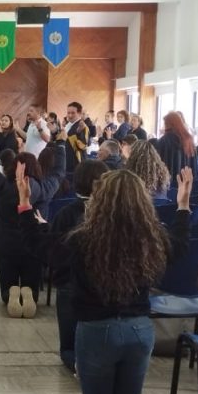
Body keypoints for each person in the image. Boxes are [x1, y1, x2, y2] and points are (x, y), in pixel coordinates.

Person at [23, 166, 193, 394]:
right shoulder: (153, 239)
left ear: (99, 200)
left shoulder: (83, 239)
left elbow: (43, 250)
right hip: (141, 330)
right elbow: (180, 245)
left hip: (97, 331)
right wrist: (182, 206)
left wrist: (26, 207)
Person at [0, 137, 66, 316]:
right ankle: (30, 293)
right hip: (34, 244)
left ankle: (10, 293)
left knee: (7, 280)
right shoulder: (44, 188)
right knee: (32, 278)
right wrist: (60, 145)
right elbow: (59, 172)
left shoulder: (2, 187)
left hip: (5, 243)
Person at [45, 159, 110, 371]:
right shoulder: (113, 213)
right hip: (103, 283)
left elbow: (54, 253)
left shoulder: (66, 214)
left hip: (70, 282)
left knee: (69, 343)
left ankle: (77, 363)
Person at [155, 111, 198, 181]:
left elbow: (158, 165)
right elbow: (194, 166)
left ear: (169, 124)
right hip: (187, 181)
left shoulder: (163, 141)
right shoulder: (189, 139)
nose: (164, 126)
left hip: (169, 183)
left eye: (165, 124)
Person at [61, 101, 91, 171]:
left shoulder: (83, 126)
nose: (70, 115)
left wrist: (78, 133)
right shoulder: (68, 125)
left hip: (76, 163)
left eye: (73, 113)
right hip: (66, 160)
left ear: (79, 113)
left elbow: (85, 144)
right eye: (68, 113)